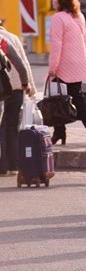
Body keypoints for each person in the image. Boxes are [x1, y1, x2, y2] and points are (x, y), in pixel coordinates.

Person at [47, 0, 86, 146]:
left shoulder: (58, 18)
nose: (53, 0)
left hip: (64, 65)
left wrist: (53, 67)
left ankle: (59, 132)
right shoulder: (79, 16)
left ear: (60, 1)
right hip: (78, 64)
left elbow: (57, 44)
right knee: (77, 96)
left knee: (56, 98)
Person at [0, 19, 36, 175]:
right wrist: (27, 85)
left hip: (2, 90)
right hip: (16, 88)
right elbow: (22, 64)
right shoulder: (8, 39)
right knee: (12, 126)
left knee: (2, 127)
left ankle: (2, 167)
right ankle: (14, 166)